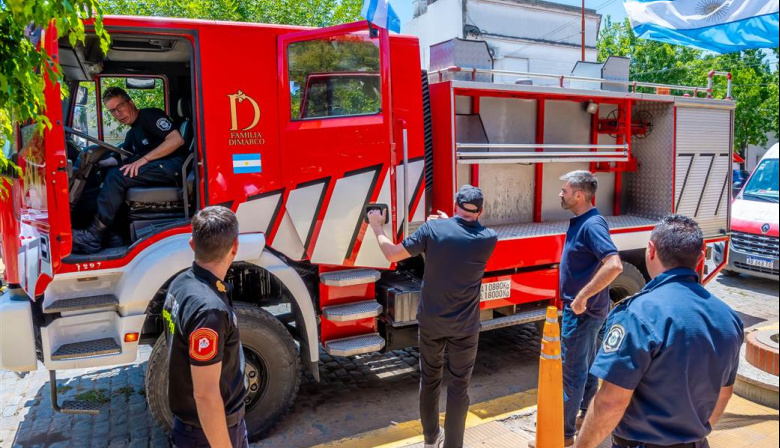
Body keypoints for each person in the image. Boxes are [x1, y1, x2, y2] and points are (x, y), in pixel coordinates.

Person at [574, 215, 744, 448]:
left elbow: (610, 403)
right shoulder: (729, 319)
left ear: (651, 251)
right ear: (701, 258)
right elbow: (724, 393)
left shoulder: (637, 314)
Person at [367, 185, 498, 448]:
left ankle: (430, 440)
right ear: (481, 211)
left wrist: (377, 226)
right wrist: (445, 223)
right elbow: (464, 231)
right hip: (465, 326)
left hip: (431, 322)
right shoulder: (489, 238)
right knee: (459, 387)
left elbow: (392, 254)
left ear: (454, 205)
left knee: (430, 380)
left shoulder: (432, 230)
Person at [162, 206, 248, 448]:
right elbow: (206, 395)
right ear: (235, 247)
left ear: (192, 243)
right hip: (209, 434)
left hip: (198, 429)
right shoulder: (209, 310)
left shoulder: (181, 284)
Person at [72, 87, 186, 254]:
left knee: (118, 177)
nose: (117, 114)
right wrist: (102, 163)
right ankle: (113, 234)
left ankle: (93, 235)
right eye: (112, 111)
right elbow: (124, 156)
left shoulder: (150, 116)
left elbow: (176, 140)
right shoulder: (133, 131)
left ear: (130, 103)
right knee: (110, 171)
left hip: (172, 166)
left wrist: (143, 160)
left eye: (120, 107)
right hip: (158, 167)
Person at [557, 170, 624, 446]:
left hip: (581, 314)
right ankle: (584, 417)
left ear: (579, 195)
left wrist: (581, 297)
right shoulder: (582, 221)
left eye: (565, 190)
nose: (560, 194)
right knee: (583, 370)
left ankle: (563, 435)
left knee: (571, 373)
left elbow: (614, 264)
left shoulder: (592, 225)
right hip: (588, 312)